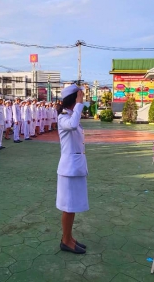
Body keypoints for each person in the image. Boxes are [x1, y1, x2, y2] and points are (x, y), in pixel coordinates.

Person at [56, 84, 89, 254]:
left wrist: (78, 106)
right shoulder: (63, 118)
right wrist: (79, 104)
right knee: (68, 207)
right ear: (73, 99)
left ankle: (68, 237)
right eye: (79, 96)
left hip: (75, 168)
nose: (81, 99)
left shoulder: (70, 115)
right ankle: (66, 241)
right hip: (69, 169)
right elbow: (73, 124)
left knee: (72, 206)